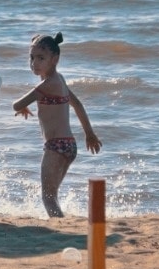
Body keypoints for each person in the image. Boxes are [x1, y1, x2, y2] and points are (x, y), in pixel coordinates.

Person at [11, 32, 102, 218]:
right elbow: (77, 104)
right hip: (69, 145)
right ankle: (62, 222)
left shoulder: (47, 85)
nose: (34, 63)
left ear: (55, 59)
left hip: (55, 146)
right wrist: (89, 134)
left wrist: (23, 107)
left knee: (48, 197)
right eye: (32, 58)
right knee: (52, 195)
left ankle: (59, 228)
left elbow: (16, 104)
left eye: (40, 58)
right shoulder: (59, 80)